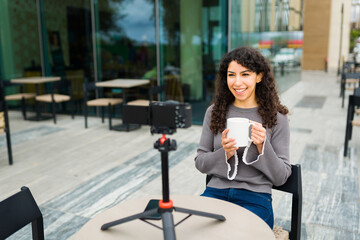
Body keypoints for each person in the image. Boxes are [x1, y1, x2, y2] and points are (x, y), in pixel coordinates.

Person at [195, 46, 291, 229]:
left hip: (256, 198)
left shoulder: (277, 118)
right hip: (216, 193)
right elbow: (200, 162)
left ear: (259, 76)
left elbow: (281, 177)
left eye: (245, 74)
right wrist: (225, 153)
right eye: (231, 75)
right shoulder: (214, 112)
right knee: (189, 230)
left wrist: (263, 146)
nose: (237, 82)